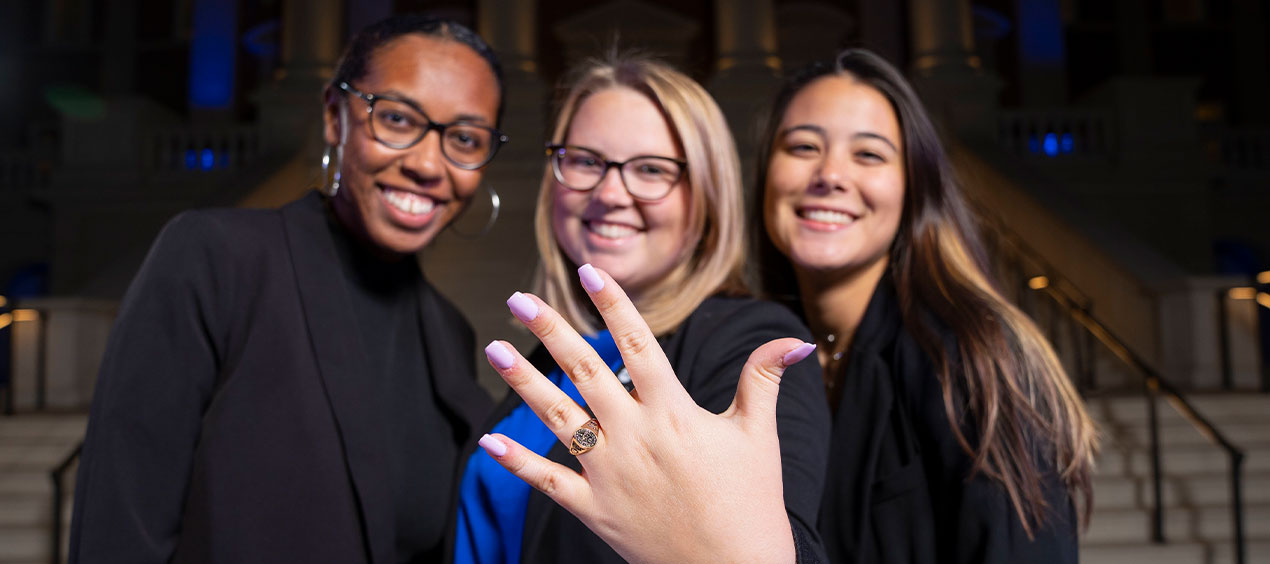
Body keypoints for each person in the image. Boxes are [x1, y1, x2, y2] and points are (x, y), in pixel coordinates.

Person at [475, 49, 1098, 564]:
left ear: (915, 188)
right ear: (764, 176)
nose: (829, 174)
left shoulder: (970, 349)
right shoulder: (803, 350)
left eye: (869, 154)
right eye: (802, 147)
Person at [70, 15, 503, 562]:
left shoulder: (448, 332)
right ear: (332, 117)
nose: (425, 163)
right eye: (395, 118)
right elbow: (119, 530)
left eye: (464, 138)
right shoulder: (215, 260)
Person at [451, 55, 830, 564]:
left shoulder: (745, 342)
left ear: (707, 197)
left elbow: (780, 546)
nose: (609, 194)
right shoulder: (558, 354)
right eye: (585, 161)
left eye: (651, 169)